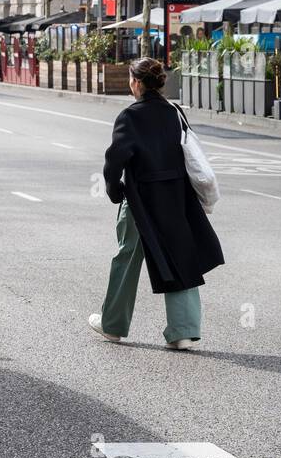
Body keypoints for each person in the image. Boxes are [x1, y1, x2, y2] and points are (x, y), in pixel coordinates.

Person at [90, 58, 225, 350]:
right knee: (181, 256)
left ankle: (112, 325)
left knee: (127, 258)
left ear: (136, 82)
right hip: (176, 197)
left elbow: (115, 161)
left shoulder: (130, 116)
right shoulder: (173, 112)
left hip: (141, 199)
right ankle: (183, 332)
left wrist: (115, 191)